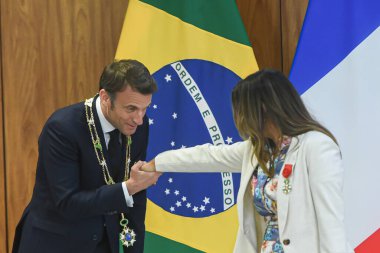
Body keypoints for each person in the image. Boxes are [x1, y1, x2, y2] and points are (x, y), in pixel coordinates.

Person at [142, 69, 353, 253]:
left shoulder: (316, 146)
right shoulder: (257, 150)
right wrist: (157, 164)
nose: (239, 119)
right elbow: (207, 156)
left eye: (241, 110)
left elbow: (330, 220)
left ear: (262, 108)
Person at [13, 59, 161, 253]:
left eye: (145, 108)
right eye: (131, 108)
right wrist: (129, 188)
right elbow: (67, 203)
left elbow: (135, 201)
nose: (139, 119)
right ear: (106, 97)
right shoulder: (62, 128)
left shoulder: (138, 126)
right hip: (55, 243)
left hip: (102, 243)